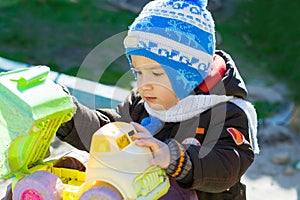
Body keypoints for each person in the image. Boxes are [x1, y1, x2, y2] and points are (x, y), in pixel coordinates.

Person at [56, 0, 259, 199]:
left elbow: (228, 166)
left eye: (156, 73)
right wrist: (69, 115)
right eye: (139, 72)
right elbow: (109, 131)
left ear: (189, 73)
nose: (144, 84)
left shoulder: (225, 113)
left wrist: (174, 157)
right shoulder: (142, 103)